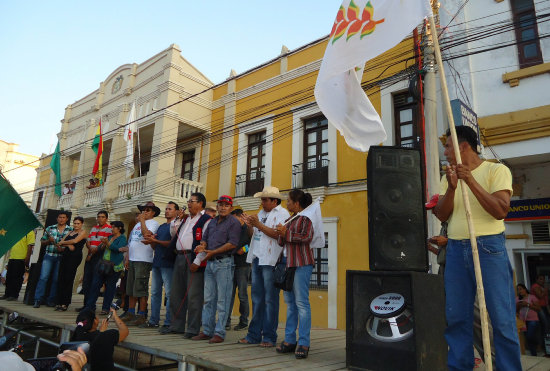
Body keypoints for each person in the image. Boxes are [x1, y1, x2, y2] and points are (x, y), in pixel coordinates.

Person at [433, 126, 521, 370]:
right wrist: (452, 187)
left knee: (501, 319)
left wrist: (469, 180)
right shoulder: (447, 177)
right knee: (457, 318)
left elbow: (500, 210)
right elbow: (442, 214)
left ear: (463, 147)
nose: (446, 151)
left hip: (489, 247)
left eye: (449, 146)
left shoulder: (496, 170)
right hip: (456, 249)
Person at [238, 186, 290, 347]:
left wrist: (258, 224)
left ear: (275, 201)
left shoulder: (283, 214)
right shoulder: (261, 213)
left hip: (272, 261)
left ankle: (269, 336)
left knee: (270, 300)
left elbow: (278, 235)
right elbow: (253, 236)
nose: (262, 202)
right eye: (262, 199)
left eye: (265, 199)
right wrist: (249, 225)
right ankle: (254, 335)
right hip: (258, 258)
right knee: (257, 299)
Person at [160, 193, 211, 337]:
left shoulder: (206, 219)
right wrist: (178, 219)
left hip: (193, 257)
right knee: (176, 293)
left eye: (192, 201)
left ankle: (192, 328)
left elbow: (205, 242)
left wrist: (198, 261)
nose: (188, 204)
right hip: (180, 256)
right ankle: (177, 325)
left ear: (200, 203)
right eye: (188, 201)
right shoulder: (186, 219)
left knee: (194, 295)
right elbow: (173, 232)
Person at [192, 195, 241, 343]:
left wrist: (213, 251)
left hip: (224, 263)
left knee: (222, 300)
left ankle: (219, 332)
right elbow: (205, 239)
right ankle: (207, 330)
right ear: (217, 207)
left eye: (226, 205)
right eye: (221, 205)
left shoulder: (234, 222)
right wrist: (202, 246)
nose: (223, 207)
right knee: (208, 299)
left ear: (230, 208)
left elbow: (233, 244)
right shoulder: (212, 222)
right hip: (210, 263)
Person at [275, 189, 314, 359]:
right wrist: (280, 233)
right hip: (289, 265)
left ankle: (304, 342)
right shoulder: (289, 219)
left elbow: (306, 237)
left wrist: (286, 233)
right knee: (290, 304)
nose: (287, 204)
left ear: (297, 203)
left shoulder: (307, 218)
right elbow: (281, 241)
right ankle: (290, 340)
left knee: (302, 304)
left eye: (289, 201)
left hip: (302, 264)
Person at [140, 201, 179, 329]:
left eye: (170, 209)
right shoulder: (162, 226)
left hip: (168, 263)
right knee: (155, 292)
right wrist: (150, 241)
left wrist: (155, 240)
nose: (167, 211)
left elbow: (173, 243)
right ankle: (154, 320)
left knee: (169, 293)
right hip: (157, 262)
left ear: (177, 212)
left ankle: (168, 322)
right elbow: (155, 244)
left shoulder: (176, 226)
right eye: (166, 208)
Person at [123, 202, 160, 326]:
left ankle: (142, 314)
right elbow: (132, 241)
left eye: (148, 210)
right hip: (133, 258)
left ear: (153, 213)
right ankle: (131, 312)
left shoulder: (154, 223)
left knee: (141, 288)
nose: (145, 212)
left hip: (143, 260)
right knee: (131, 288)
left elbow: (147, 235)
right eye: (143, 210)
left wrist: (143, 221)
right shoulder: (137, 224)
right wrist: (127, 257)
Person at [85, 221, 128, 314]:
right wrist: (102, 245)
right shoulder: (109, 237)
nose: (111, 229)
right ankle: (90, 306)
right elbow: (100, 247)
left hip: (114, 266)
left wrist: (107, 243)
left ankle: (106, 308)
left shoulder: (122, 238)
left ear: (119, 228)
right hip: (103, 264)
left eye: (113, 227)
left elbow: (117, 249)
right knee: (95, 285)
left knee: (110, 287)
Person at [34, 211, 73, 308]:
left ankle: (51, 300)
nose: (61, 219)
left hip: (61, 257)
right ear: (57, 218)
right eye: (60, 217)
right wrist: (48, 241)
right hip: (49, 255)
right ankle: (38, 299)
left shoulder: (70, 230)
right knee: (43, 277)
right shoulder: (50, 228)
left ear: (67, 219)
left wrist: (63, 248)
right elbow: (42, 242)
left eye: (64, 217)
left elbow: (71, 244)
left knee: (56, 279)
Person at [77, 211, 112, 312]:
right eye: (99, 217)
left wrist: (94, 252)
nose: (100, 219)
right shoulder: (93, 228)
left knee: (95, 283)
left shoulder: (109, 229)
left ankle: (91, 306)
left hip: (100, 257)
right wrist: (89, 250)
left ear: (106, 219)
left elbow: (104, 244)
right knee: (86, 281)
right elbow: (88, 241)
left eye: (102, 217)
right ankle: (86, 305)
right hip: (90, 256)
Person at [226, 208, 251, 331]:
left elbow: (253, 243)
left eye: (233, 218)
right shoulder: (233, 229)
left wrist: (245, 249)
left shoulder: (248, 229)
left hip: (243, 265)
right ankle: (226, 321)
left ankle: (244, 321)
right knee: (229, 294)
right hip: (231, 264)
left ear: (240, 217)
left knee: (242, 295)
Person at [55, 217, 87, 311]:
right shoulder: (70, 232)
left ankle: (65, 303)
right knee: (61, 277)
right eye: (75, 223)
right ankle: (59, 302)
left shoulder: (83, 232)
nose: (76, 225)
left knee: (69, 278)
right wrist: (68, 245)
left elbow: (75, 241)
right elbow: (61, 243)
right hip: (66, 255)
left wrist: (65, 243)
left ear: (81, 224)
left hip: (75, 256)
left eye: (78, 223)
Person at [1, 231, 34, 301]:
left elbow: (30, 246)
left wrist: (27, 259)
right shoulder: (17, 231)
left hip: (21, 258)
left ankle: (14, 295)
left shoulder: (30, 232)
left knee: (17, 278)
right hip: (12, 257)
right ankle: (7, 294)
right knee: (9, 276)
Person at [516, 283, 541, 356]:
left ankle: (538, 344)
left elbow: (538, 309)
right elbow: (515, 311)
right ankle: (534, 354)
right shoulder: (517, 299)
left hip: (533, 320)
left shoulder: (532, 297)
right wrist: (518, 306)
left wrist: (527, 304)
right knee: (528, 339)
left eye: (521, 289)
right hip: (523, 321)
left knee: (529, 336)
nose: (519, 291)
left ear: (525, 289)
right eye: (518, 290)